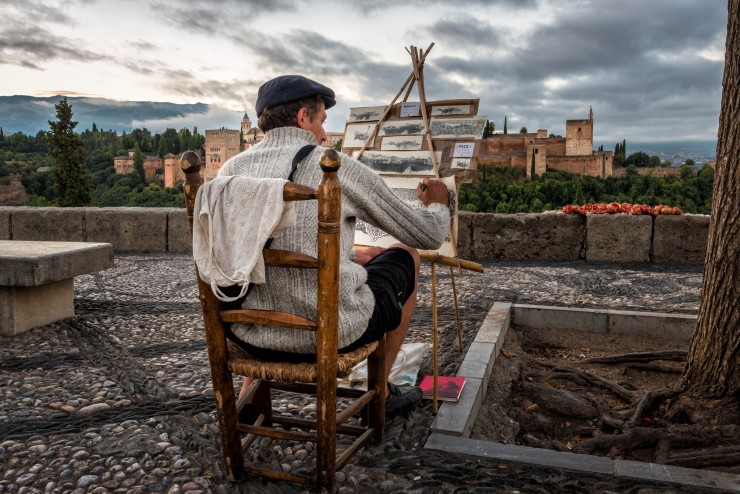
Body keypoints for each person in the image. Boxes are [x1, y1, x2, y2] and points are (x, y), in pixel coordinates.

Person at [217, 74, 450, 418]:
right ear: (302, 117)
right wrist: (438, 204)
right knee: (407, 257)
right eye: (322, 120)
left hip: (248, 334)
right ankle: (382, 391)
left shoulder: (228, 171)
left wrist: (353, 255)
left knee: (282, 278)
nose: (325, 134)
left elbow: (250, 250)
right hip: (329, 334)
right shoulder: (336, 168)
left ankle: (250, 391)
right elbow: (428, 235)